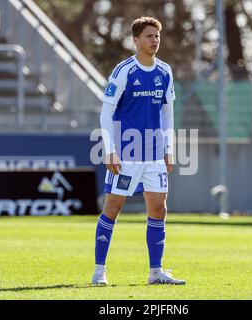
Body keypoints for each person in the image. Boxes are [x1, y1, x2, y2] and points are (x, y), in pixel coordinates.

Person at [92, 16, 185, 286]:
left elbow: (168, 111)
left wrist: (169, 147)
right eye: (148, 36)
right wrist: (110, 150)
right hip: (125, 156)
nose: (154, 40)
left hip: (155, 156)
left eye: (157, 36)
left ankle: (155, 273)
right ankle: (99, 271)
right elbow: (107, 111)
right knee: (113, 208)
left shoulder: (165, 71)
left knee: (158, 209)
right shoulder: (124, 71)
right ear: (135, 40)